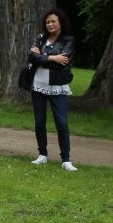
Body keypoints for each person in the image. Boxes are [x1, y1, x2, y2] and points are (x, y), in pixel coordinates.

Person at [26, 9, 76, 170]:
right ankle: (42, 154)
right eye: (48, 22)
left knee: (61, 122)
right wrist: (53, 57)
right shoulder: (40, 39)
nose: (50, 24)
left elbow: (64, 60)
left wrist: (42, 57)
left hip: (57, 85)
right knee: (39, 120)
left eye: (53, 21)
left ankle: (66, 159)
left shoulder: (68, 40)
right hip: (38, 83)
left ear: (61, 22)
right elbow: (31, 57)